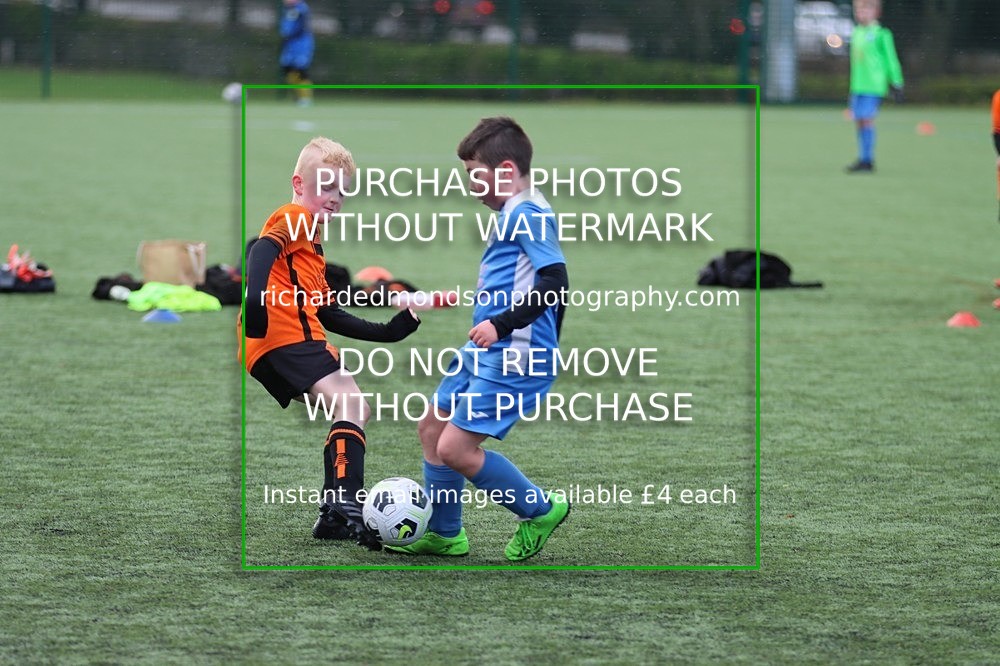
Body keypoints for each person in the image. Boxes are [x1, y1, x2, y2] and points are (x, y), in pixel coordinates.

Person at [385, 117, 570, 561]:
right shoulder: (518, 209)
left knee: (454, 448)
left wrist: (504, 327)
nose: (471, 185)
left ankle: (540, 510)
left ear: (505, 170)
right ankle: (447, 534)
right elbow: (520, 281)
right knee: (432, 428)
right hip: (489, 349)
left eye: (475, 175)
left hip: (515, 355)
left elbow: (555, 282)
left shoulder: (526, 213)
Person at [239, 137, 421, 549]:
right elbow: (260, 249)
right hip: (284, 335)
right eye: (325, 186)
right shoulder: (293, 217)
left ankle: (333, 515)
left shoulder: (312, 245)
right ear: (298, 183)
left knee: (351, 407)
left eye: (342, 190)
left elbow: (327, 312)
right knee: (353, 404)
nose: (335, 198)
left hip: (271, 344)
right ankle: (345, 503)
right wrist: (253, 300)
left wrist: (386, 332)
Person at [845, 0, 904, 173]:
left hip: (874, 85)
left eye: (865, 10)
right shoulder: (857, 32)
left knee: (866, 119)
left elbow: (891, 59)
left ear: (876, 12)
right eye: (858, 10)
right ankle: (863, 157)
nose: (861, 14)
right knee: (859, 121)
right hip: (858, 85)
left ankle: (868, 160)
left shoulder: (882, 34)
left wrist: (896, 82)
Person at [279, 0, 314, 107]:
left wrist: (290, 36)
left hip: (301, 45)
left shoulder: (301, 8)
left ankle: (306, 98)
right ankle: (297, 97)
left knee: (301, 71)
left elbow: (301, 27)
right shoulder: (288, 9)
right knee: (287, 69)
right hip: (290, 44)